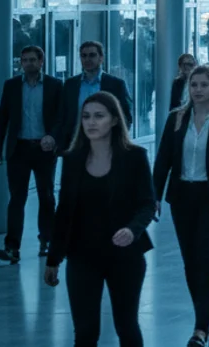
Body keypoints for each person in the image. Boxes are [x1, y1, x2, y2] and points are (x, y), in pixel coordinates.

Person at [44, 92, 155, 347]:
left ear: (114, 120)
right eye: (86, 117)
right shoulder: (72, 159)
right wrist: (54, 258)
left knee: (126, 326)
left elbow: (147, 203)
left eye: (99, 116)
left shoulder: (134, 156)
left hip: (125, 256)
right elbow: (64, 211)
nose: (91, 122)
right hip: (83, 256)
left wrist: (132, 229)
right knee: (85, 331)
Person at [152, 66, 209, 347]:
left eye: (204, 84)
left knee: (204, 258)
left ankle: (200, 329)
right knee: (191, 262)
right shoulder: (177, 118)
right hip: (182, 197)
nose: (198, 90)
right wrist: (154, 195)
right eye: (194, 85)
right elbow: (163, 158)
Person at [0, 45, 63, 263]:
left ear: (41, 61)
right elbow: (3, 117)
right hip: (19, 149)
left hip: (44, 148)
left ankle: (47, 240)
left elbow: (61, 117)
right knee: (16, 199)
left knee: (46, 196)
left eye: (32, 60)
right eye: (25, 60)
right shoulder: (12, 85)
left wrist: (54, 137)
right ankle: (12, 247)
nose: (28, 64)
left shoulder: (54, 85)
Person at [58, 41, 134, 148]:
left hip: (106, 144)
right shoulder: (70, 84)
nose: (87, 59)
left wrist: (117, 141)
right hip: (75, 143)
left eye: (92, 55)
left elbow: (126, 116)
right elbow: (62, 114)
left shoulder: (116, 84)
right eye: (83, 56)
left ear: (101, 58)